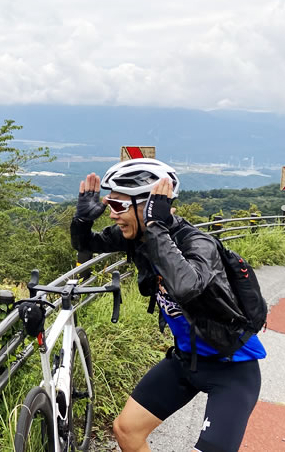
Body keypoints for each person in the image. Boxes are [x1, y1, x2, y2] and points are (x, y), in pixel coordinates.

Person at [70, 158, 265, 452]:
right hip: (184, 361)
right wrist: (82, 221)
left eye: (119, 206)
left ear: (148, 207)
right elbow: (88, 245)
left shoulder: (198, 244)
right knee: (126, 431)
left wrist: (156, 228)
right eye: (110, 204)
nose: (112, 215)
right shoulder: (136, 237)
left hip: (231, 367)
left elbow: (186, 286)